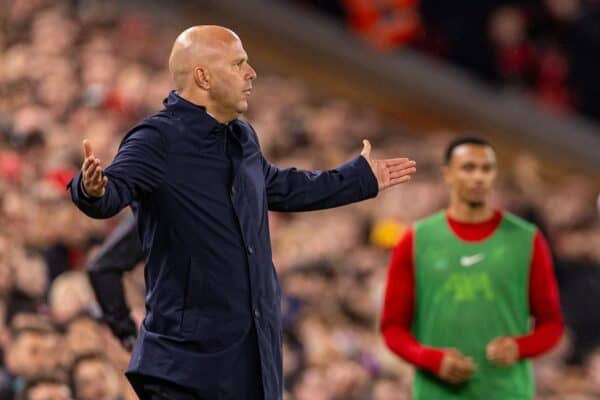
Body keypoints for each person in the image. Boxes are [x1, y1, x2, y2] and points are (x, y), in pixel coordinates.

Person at [68, 25, 416, 399]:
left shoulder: (242, 136)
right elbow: (110, 192)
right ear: (203, 76)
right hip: (186, 370)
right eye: (239, 64)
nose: (251, 73)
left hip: (250, 364)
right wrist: (91, 188)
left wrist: (358, 178)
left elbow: (280, 187)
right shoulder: (157, 139)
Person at [381, 137, 563, 399]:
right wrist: (431, 359)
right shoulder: (417, 240)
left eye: (486, 169)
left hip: (506, 392)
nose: (478, 177)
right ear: (447, 174)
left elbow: (552, 325)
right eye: (468, 168)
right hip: (437, 392)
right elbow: (392, 328)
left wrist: (520, 347)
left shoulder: (526, 240)